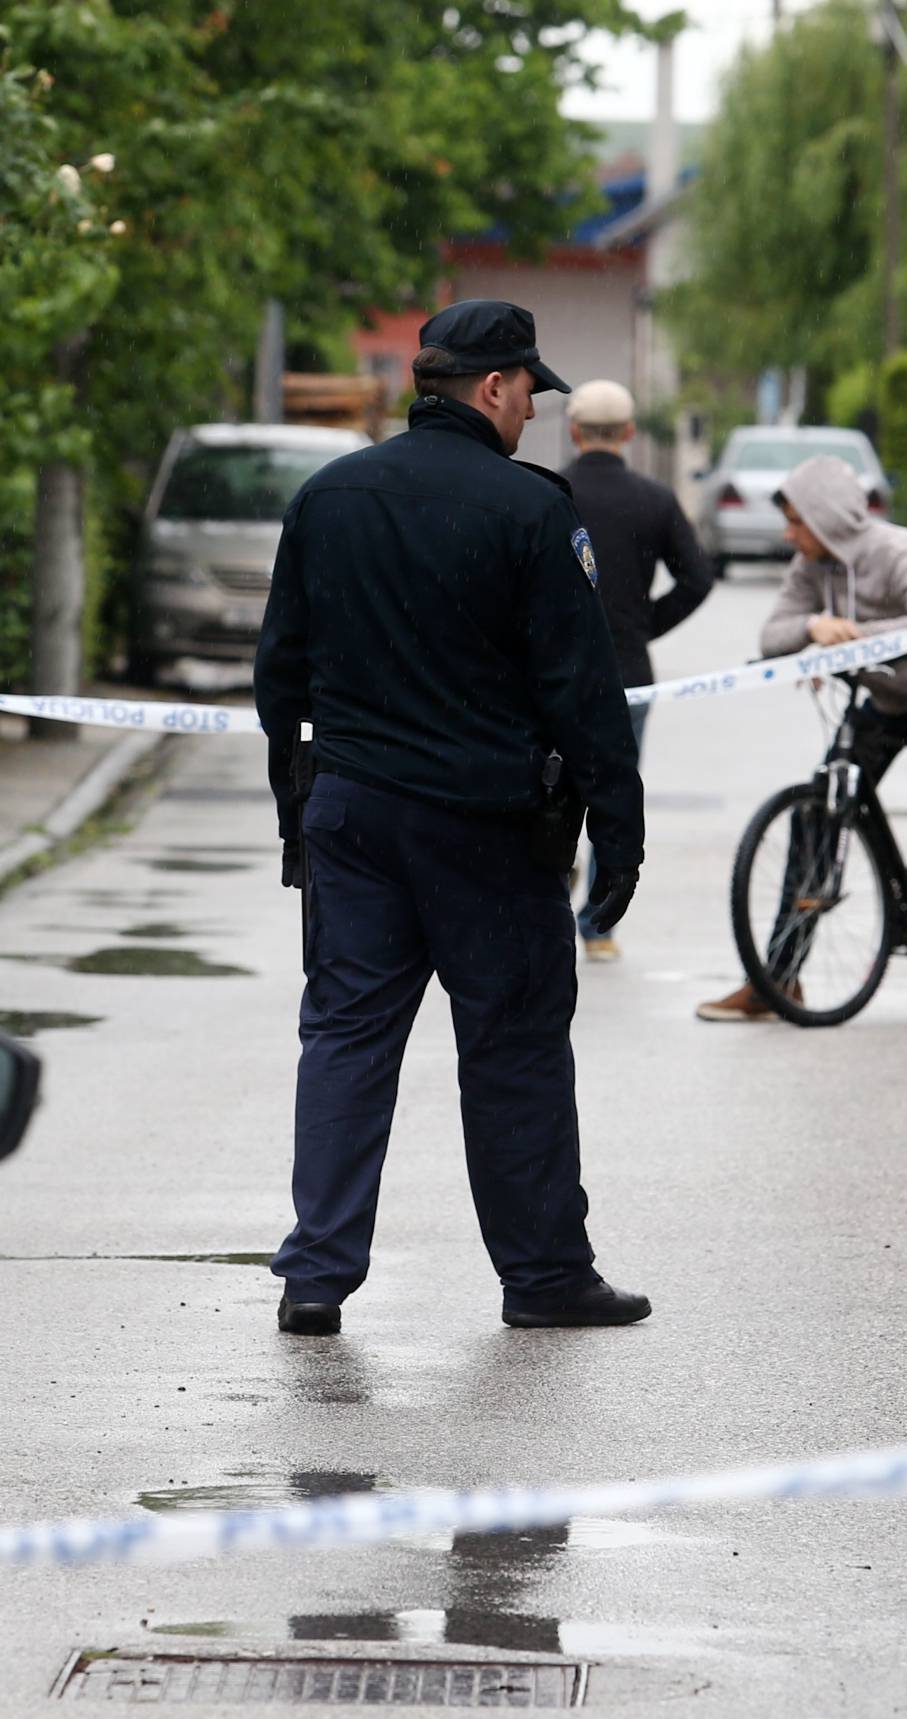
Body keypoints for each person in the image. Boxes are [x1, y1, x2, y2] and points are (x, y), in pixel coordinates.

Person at [254, 298, 650, 1337]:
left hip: (352, 813)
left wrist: (294, 808)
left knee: (344, 1035)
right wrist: (621, 827)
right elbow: (581, 685)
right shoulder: (528, 512)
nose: (534, 413)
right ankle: (545, 1275)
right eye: (529, 392)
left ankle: (316, 1275)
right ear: (491, 389)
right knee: (514, 1046)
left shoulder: (327, 497)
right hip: (487, 826)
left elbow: (277, 673)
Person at [695, 454, 907, 1030]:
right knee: (816, 814)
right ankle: (780, 975)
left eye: (797, 521)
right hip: (882, 699)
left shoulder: (901, 553)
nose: (788, 534)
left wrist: (849, 642)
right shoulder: (811, 564)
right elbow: (774, 632)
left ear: (827, 517)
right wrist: (811, 628)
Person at [562, 378, 713, 962]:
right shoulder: (653, 500)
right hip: (628, 669)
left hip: (554, 668)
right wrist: (644, 623)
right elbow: (697, 578)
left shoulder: (549, 491)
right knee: (613, 789)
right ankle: (599, 924)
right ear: (628, 433)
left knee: (548, 778)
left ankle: (551, 881)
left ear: (575, 431)